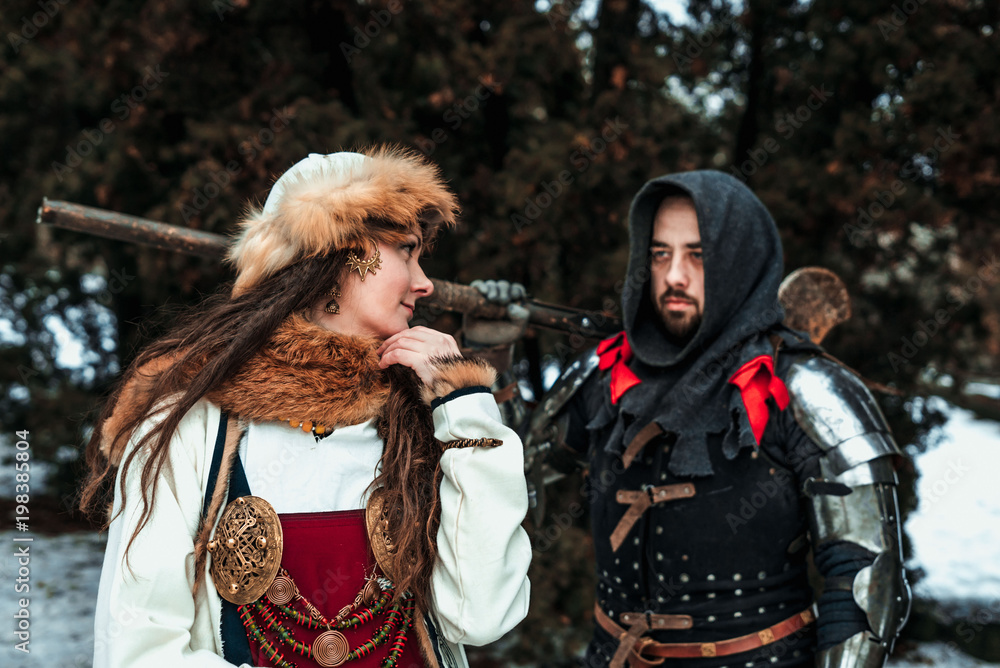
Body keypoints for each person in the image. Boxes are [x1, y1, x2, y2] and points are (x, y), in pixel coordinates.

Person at [81, 147, 532, 668]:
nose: (424, 282)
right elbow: (138, 650)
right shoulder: (188, 426)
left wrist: (465, 405)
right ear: (344, 253)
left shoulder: (429, 418)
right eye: (407, 251)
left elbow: (482, 617)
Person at [529, 171, 910, 667]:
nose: (674, 276)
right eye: (660, 253)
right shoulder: (605, 377)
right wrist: (489, 354)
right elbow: (512, 473)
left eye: (698, 254)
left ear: (739, 259)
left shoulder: (808, 393)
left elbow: (867, 582)